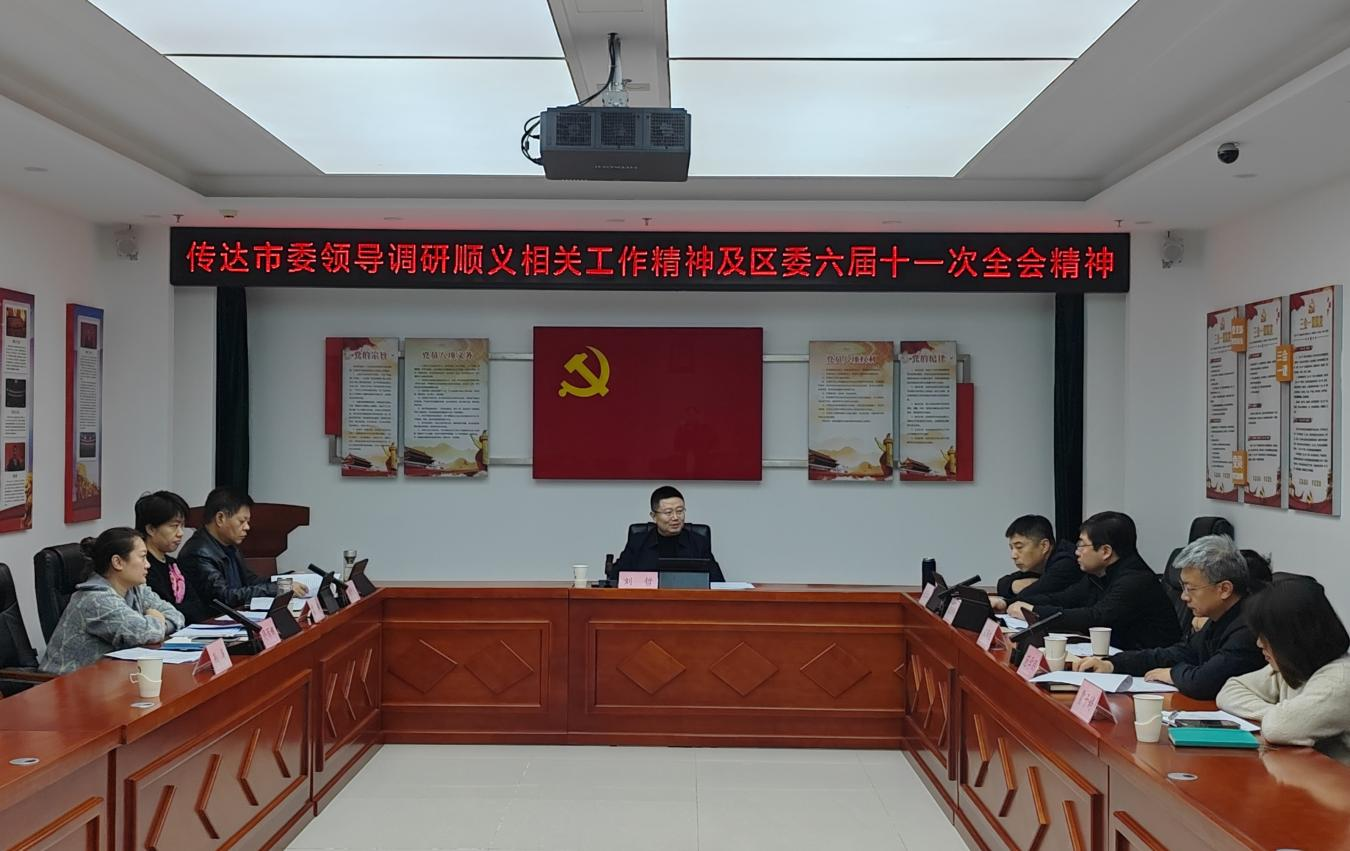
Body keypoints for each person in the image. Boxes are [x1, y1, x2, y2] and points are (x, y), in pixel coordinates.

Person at [1072, 535, 1264, 698]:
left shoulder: (1248, 628)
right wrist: (1112, 664)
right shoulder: (1221, 617)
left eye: (1190, 588)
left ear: (1224, 589)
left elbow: (1204, 682)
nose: (1184, 597)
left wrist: (1172, 674)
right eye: (1182, 588)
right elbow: (1179, 654)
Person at [1217, 577, 1350, 766]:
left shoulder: (1340, 680)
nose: (1259, 644)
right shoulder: (1297, 666)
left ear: (1292, 637)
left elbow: (1277, 728)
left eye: (1265, 636)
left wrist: (1283, 716)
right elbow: (1230, 690)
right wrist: (1278, 712)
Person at [1006, 511, 1180, 651]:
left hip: (1147, 664)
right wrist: (1012, 603)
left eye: (1082, 545)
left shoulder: (1135, 580)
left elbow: (1095, 617)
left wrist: (1035, 611)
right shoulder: (1098, 574)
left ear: (1105, 551)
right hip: (1117, 655)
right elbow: (1063, 598)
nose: (1077, 552)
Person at [39, 528, 185, 674]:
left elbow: (177, 616)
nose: (148, 565)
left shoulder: (137, 588)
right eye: (142, 557)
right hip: (65, 682)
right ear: (117, 562)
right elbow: (146, 633)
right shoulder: (97, 600)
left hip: (106, 677)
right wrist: (158, 620)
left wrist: (156, 624)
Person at [178, 487, 307, 623]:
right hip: (212, 625)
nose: (247, 527)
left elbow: (250, 581)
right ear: (220, 518)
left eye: (247, 522)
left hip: (234, 620)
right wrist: (277, 588)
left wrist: (286, 580)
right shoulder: (198, 553)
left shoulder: (228, 546)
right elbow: (225, 597)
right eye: (241, 521)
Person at [611, 485, 723, 582]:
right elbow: (615, 578)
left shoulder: (698, 543)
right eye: (668, 512)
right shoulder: (638, 542)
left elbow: (717, 582)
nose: (675, 517)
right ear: (654, 516)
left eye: (680, 511)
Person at [134, 489, 205, 619]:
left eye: (182, 526)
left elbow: (197, 607)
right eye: (174, 526)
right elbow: (162, 610)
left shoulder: (173, 564)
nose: (180, 533)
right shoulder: (141, 567)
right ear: (151, 529)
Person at [989, 515, 1079, 610]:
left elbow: (1030, 596)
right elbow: (1002, 583)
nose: (1013, 556)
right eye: (1012, 548)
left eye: (1019, 547)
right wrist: (1015, 585)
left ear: (1044, 546)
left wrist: (1004, 603)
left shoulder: (1067, 562)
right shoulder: (1039, 564)